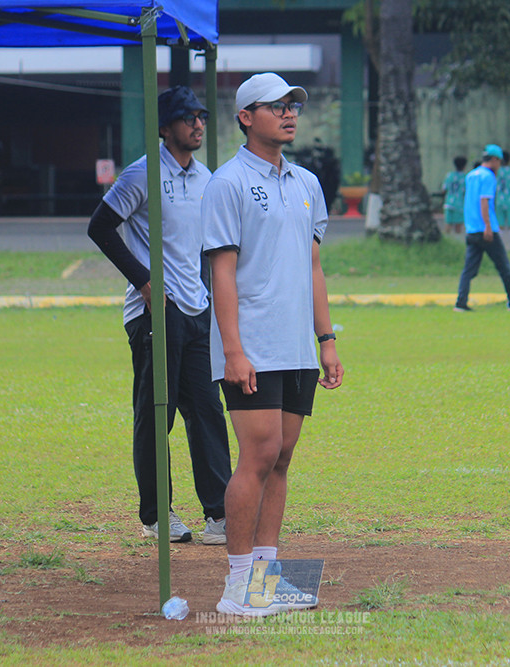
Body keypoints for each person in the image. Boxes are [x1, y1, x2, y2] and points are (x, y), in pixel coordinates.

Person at [201, 72, 344, 616]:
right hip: (252, 346)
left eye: (293, 106)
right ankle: (237, 587)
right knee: (257, 456)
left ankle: (265, 579)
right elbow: (223, 272)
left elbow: (312, 265)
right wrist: (233, 350)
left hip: (297, 348)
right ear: (245, 117)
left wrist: (325, 339)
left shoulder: (307, 182)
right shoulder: (228, 182)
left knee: (281, 459)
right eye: (276, 106)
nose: (289, 113)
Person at [87, 86, 232, 546]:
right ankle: (156, 514)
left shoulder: (207, 178)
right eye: (188, 117)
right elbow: (100, 226)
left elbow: (209, 248)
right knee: (157, 412)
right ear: (166, 127)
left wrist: (211, 297)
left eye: (202, 116)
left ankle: (220, 513)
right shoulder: (142, 174)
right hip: (155, 310)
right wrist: (145, 281)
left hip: (196, 308)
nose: (198, 124)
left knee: (208, 409)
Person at [454, 144, 510, 312]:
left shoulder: (471, 175)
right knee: (504, 267)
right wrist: (488, 227)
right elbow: (484, 202)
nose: (500, 166)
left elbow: (469, 201)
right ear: (495, 160)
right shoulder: (488, 176)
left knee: (469, 270)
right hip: (486, 229)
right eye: (500, 162)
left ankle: (461, 302)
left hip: (472, 228)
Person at [441, 156, 468, 235]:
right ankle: (457, 242)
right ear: (464, 166)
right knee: (458, 226)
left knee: (448, 224)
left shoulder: (449, 175)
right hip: (459, 204)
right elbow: (465, 191)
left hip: (449, 203)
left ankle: (447, 241)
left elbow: (444, 190)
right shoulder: (465, 177)